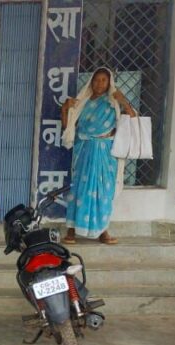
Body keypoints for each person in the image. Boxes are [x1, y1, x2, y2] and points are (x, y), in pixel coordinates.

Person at [60, 67, 136, 245]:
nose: (99, 83)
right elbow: (68, 128)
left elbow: (132, 118)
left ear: (109, 83)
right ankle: (71, 230)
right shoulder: (82, 102)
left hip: (105, 153)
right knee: (79, 189)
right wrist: (65, 108)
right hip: (84, 150)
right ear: (91, 82)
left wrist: (123, 101)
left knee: (104, 192)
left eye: (103, 80)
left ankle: (103, 231)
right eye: (96, 80)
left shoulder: (113, 102)